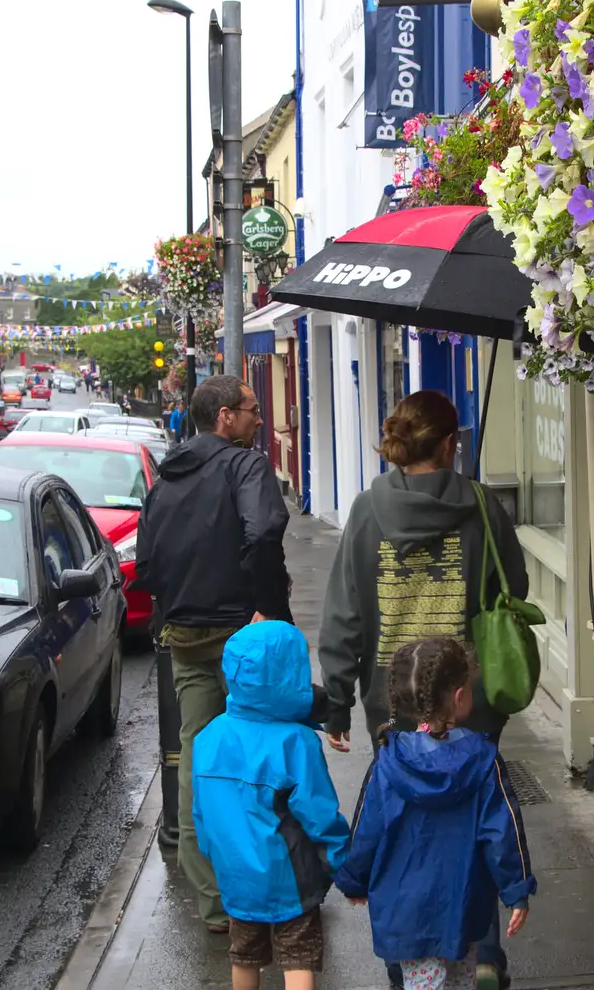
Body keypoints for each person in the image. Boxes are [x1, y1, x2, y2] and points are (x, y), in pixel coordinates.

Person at [317, 389, 528, 988]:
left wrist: (335, 696)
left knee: (402, 826)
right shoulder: (481, 507)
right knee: (476, 821)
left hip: (395, 705)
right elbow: (514, 585)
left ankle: (410, 964)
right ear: (448, 444)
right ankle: (483, 951)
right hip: (470, 699)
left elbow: (346, 612)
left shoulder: (365, 509)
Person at [136, 374, 292, 934]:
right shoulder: (244, 465)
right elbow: (265, 529)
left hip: (184, 636)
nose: (257, 419)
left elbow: (146, 563)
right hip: (243, 635)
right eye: (252, 410)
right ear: (224, 417)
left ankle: (214, 900)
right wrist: (267, 608)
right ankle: (276, 887)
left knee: (198, 757)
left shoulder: (166, 477)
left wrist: (172, 610)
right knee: (268, 751)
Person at [335, 637, 536, 990]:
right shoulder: (483, 762)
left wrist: (355, 879)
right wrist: (516, 888)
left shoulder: (388, 763)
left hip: (407, 910)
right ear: (460, 696)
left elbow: (368, 829)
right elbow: (502, 833)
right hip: (463, 901)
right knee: (461, 979)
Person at [193, 621, 350, 990]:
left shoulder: (209, 736)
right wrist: (341, 863)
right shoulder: (296, 742)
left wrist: (213, 854)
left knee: (244, 955)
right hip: (288, 880)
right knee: (298, 957)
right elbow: (320, 816)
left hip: (235, 875)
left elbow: (201, 812)